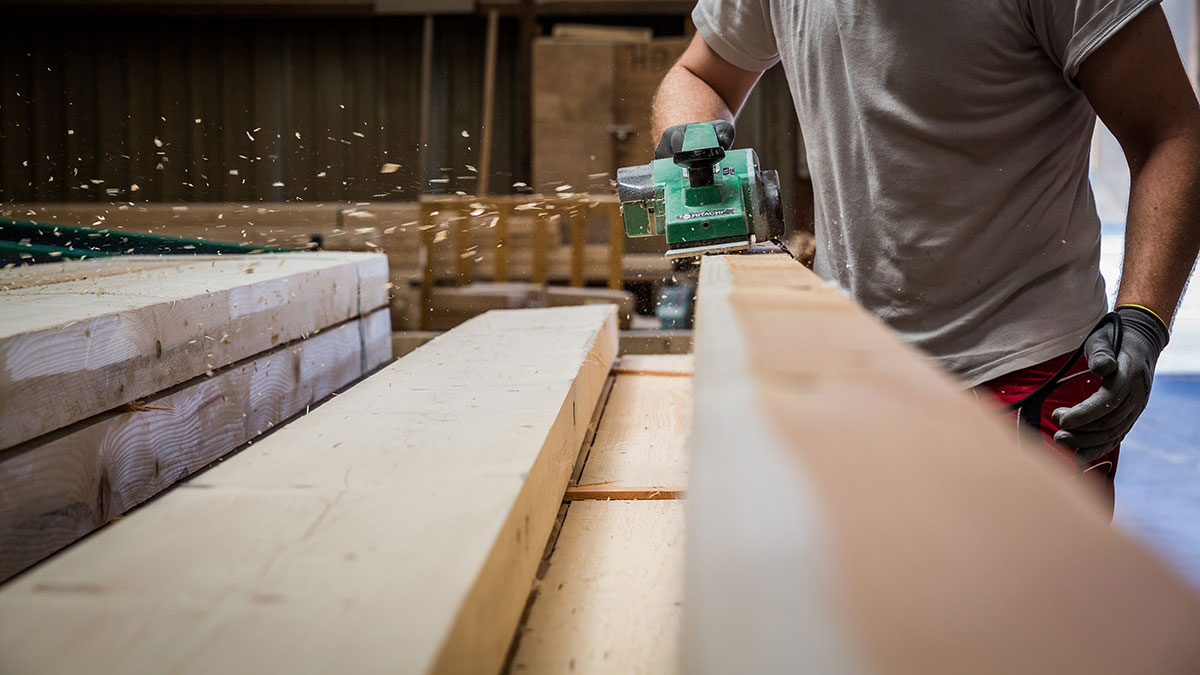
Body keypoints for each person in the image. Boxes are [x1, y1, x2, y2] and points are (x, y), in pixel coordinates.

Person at [654, 0, 1200, 511]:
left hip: (1029, 371)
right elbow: (700, 76)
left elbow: (1172, 133)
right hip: (850, 369)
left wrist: (1144, 318)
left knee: (1033, 607)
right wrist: (692, 155)